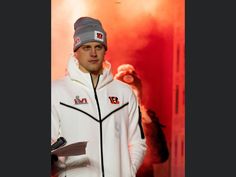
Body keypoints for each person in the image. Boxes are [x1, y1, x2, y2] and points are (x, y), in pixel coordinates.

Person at [51, 17, 147, 177]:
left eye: (99, 47)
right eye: (86, 47)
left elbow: (138, 142)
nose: (93, 53)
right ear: (76, 51)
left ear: (105, 50)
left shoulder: (124, 93)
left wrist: (128, 172)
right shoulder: (56, 92)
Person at [114, 64, 169, 177]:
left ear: (139, 93)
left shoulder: (148, 119)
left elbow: (161, 156)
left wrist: (149, 125)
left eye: (132, 89)